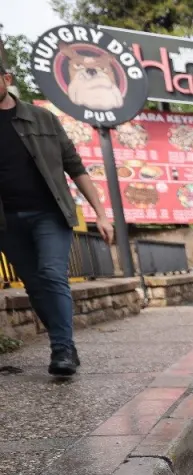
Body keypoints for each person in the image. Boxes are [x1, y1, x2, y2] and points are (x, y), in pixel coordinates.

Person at [0, 56, 114, 376]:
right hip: (7, 222)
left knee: (52, 274)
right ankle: (64, 342)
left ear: (6, 79)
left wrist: (102, 215)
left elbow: (75, 166)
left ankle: (61, 350)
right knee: (35, 286)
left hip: (50, 213)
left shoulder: (42, 118)